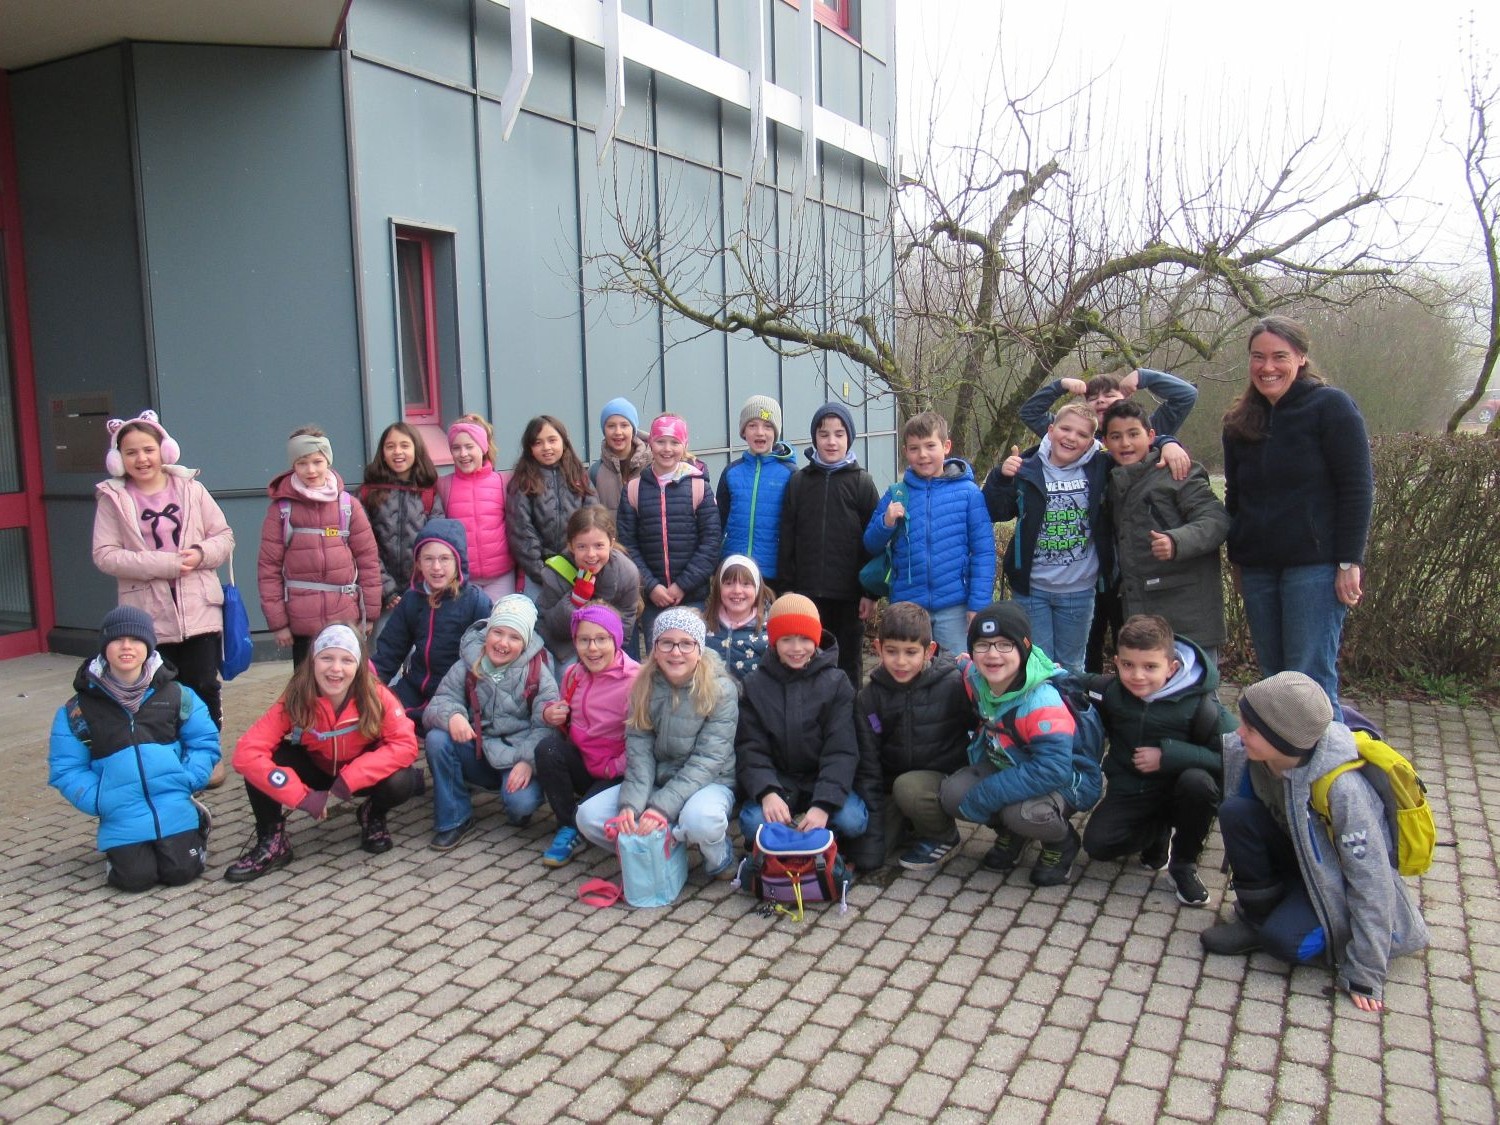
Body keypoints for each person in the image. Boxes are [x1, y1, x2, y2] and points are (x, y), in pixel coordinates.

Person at [1201, 672, 1429, 1012]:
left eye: (1250, 729)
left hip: (1334, 885)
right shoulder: (1250, 755)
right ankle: (1257, 918)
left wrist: (1365, 970)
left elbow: (1372, 880)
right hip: (1298, 862)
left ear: (1284, 739)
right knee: (1236, 812)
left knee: (1285, 943)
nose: (1238, 733)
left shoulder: (1344, 791)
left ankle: (1308, 926)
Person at [1223, 316, 1373, 711]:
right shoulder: (1238, 422)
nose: (1267, 367)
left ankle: (1328, 771)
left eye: (1279, 356)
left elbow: (1356, 488)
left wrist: (1348, 561)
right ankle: (1280, 772)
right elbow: (1236, 499)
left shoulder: (1331, 407)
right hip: (1258, 569)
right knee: (1273, 680)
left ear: (1301, 358)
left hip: (1315, 568)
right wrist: (1237, 559)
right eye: (1258, 357)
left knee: (1309, 682)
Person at [92, 411, 234, 787]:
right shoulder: (113, 499)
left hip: (199, 607)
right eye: (131, 452)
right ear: (118, 458)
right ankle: (170, 757)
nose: (141, 459)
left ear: (163, 450)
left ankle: (207, 755)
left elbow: (224, 536)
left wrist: (201, 554)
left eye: (148, 450)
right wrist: (166, 564)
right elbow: (105, 554)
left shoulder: (191, 490)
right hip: (147, 614)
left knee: (203, 684)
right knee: (160, 689)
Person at [1020, 370, 1196, 670]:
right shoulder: (1080, 442)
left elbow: (1185, 396)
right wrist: (1060, 385)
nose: (1101, 401)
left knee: (1128, 641)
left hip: (1127, 566)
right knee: (1086, 650)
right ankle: (1085, 706)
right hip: (1085, 569)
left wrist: (1146, 381)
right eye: (1093, 397)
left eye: (1109, 395)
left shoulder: (1136, 432)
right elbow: (1031, 413)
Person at [227, 624, 423, 881]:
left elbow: (405, 745)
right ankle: (273, 840)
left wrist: (348, 780)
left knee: (402, 780)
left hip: (357, 776)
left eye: (346, 660)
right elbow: (246, 751)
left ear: (359, 665)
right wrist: (302, 797)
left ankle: (372, 815)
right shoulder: (297, 695)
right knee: (262, 763)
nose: (335, 669)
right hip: (316, 769)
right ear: (313, 661)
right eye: (327, 658)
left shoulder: (377, 696)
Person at [48, 607, 218, 891]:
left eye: (136, 639)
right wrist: (99, 799)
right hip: (122, 813)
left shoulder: (178, 695)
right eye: (117, 640)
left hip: (172, 803)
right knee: (134, 879)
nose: (127, 647)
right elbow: (67, 768)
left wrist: (189, 778)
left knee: (181, 872)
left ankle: (195, 823)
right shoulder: (78, 709)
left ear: (149, 646)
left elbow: (204, 741)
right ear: (104, 647)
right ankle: (123, 856)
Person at [938, 603, 1102, 886]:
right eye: (983, 645)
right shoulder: (977, 678)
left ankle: (1061, 844)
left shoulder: (1042, 702)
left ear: (1024, 648)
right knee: (953, 794)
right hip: (1012, 764)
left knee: (1020, 812)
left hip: (1068, 781)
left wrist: (989, 794)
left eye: (1005, 645)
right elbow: (957, 663)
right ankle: (1014, 834)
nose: (992, 655)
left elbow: (1052, 771)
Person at [574, 608, 738, 878]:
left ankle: (719, 858)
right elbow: (639, 751)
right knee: (589, 816)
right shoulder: (644, 684)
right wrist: (631, 806)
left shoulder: (721, 689)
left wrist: (660, 808)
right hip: (659, 779)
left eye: (686, 643)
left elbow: (708, 760)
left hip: (709, 782)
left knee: (701, 822)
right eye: (667, 643)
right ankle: (662, 849)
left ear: (699, 648)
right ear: (655, 649)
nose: (676, 652)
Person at [1081, 614, 1232, 907]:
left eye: (1150, 667)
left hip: (1182, 791)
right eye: (1128, 665)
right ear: (1117, 662)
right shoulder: (1112, 691)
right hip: (1132, 790)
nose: (1137, 676)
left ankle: (1183, 865)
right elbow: (1073, 678)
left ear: (1172, 667)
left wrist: (1169, 755)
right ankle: (1157, 834)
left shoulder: (1201, 705)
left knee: (1198, 784)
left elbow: (1236, 756)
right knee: (1097, 845)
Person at [735, 594, 872, 861]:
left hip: (821, 779)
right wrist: (767, 792)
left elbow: (841, 750)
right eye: (786, 639)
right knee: (751, 823)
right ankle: (801, 835)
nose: (797, 648)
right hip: (780, 782)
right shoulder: (755, 685)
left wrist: (823, 804)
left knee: (853, 820)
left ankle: (805, 832)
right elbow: (751, 748)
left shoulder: (837, 683)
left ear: (816, 639)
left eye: (805, 638)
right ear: (774, 642)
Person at [983, 403, 1111, 673]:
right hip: (1032, 590)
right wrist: (1001, 477)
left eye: (1082, 434)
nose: (1071, 437)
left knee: (1072, 668)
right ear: (1050, 431)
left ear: (1092, 442)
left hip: (1079, 589)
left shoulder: (1100, 469)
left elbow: (1142, 445)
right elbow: (996, 511)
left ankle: (1069, 716)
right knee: (1035, 666)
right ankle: (1039, 715)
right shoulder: (1028, 468)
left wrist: (1168, 445)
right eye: (1065, 428)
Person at [421, 595, 557, 849]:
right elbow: (437, 704)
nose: (503, 643)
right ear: (487, 633)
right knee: (437, 739)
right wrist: (453, 716)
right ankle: (454, 818)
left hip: (517, 756)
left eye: (514, 637)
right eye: (498, 633)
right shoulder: (467, 664)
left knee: (520, 804)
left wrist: (528, 761)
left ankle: (523, 802)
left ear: (525, 642)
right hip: (477, 749)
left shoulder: (539, 672)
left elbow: (546, 726)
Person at [1102, 401, 1230, 664]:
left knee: (1199, 698)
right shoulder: (1114, 482)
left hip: (1189, 616)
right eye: (1116, 436)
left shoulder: (1177, 472)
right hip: (1142, 614)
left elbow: (1216, 520)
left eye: (1133, 434)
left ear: (1151, 437)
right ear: (1105, 441)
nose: (1125, 443)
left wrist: (1177, 540)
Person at [863, 411, 995, 660]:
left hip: (954, 608)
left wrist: (978, 604)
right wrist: (886, 522)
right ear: (905, 452)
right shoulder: (897, 493)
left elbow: (983, 552)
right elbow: (870, 544)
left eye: (930, 446)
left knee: (956, 673)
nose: (922, 455)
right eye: (914, 448)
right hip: (907, 606)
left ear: (946, 447)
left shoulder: (968, 493)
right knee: (909, 671)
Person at [854, 602, 973, 872]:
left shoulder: (953, 683)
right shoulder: (869, 698)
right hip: (893, 786)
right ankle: (910, 823)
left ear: (929, 651)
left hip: (941, 778)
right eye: (892, 652)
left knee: (908, 788)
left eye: (911, 652)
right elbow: (869, 766)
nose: (901, 661)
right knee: (869, 852)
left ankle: (943, 835)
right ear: (878, 649)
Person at [256, 427, 382, 668]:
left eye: (317, 461)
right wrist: (279, 623)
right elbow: (268, 569)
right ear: (293, 465)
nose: (311, 470)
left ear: (328, 461)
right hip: (303, 625)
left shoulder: (348, 507)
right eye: (302, 463)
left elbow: (368, 561)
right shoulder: (281, 511)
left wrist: (369, 614)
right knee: (307, 695)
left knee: (349, 688)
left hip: (345, 620)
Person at [778, 401, 880, 689]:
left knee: (847, 665)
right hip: (807, 594)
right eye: (824, 434)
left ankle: (848, 724)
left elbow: (873, 544)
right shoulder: (799, 482)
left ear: (849, 438)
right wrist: (786, 589)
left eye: (839, 434)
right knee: (808, 661)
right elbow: (787, 539)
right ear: (814, 439)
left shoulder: (862, 483)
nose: (831, 441)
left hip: (849, 597)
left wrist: (869, 593)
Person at [534, 604, 641, 866]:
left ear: (615, 639)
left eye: (601, 639)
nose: (592, 648)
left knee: (589, 811)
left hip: (616, 771)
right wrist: (551, 713)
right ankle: (567, 825)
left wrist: (615, 767)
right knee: (547, 748)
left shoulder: (636, 680)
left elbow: (644, 743)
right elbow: (565, 717)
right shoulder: (573, 674)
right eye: (584, 640)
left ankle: (582, 817)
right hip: (585, 762)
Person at [371, 518, 492, 722]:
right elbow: (389, 652)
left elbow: (489, 661)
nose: (436, 567)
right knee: (375, 715)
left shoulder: (476, 601)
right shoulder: (412, 599)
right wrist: (365, 684)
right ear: (418, 563)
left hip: (457, 694)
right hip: (415, 687)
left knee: (439, 731)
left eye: (444, 559)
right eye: (428, 559)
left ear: (458, 561)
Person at [616, 414, 721, 640]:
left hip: (692, 595)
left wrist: (682, 585)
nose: (667, 449)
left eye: (675, 442)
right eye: (660, 441)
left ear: (684, 446)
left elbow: (711, 542)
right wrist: (651, 586)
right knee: (658, 658)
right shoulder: (634, 489)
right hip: (652, 597)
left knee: (692, 656)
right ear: (650, 443)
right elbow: (627, 545)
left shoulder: (699, 487)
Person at [359, 420, 444, 629]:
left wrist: (420, 584)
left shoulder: (429, 494)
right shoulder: (368, 494)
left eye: (405, 445)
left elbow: (435, 542)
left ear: (416, 449)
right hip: (381, 595)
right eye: (390, 446)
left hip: (422, 592)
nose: (398, 452)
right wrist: (388, 590)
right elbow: (363, 547)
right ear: (382, 452)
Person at [535, 506, 641, 667]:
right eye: (582, 546)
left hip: (606, 644)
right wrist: (575, 600)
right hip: (566, 646)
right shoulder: (555, 572)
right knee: (569, 674)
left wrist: (608, 653)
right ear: (571, 546)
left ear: (611, 543)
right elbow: (552, 627)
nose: (591, 554)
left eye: (599, 546)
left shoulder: (626, 572)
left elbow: (625, 619)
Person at [506, 415, 598, 596]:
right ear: (529, 447)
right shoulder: (523, 481)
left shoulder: (579, 476)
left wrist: (581, 561)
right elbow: (521, 531)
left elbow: (593, 519)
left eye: (552, 440)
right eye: (538, 442)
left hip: (578, 569)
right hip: (539, 572)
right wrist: (541, 572)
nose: (546, 447)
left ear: (563, 442)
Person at [717, 395, 796, 581]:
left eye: (768, 426)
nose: (760, 432)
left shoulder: (790, 474)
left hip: (772, 574)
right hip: (734, 571)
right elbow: (718, 522)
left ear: (776, 432)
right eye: (752, 425)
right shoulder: (731, 472)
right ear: (743, 431)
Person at [437, 414, 515, 602]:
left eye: (469, 446)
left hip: (501, 577)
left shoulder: (504, 483)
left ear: (483, 447)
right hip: (462, 580)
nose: (463, 454)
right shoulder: (443, 486)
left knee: (496, 627)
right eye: (456, 448)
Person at [702, 554, 773, 687]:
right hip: (712, 702)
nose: (737, 590)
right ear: (719, 588)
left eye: (746, 584)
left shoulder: (768, 631)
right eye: (729, 583)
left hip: (752, 703)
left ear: (757, 589)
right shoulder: (704, 626)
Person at [588, 396, 651, 513]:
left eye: (624, 425)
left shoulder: (652, 466)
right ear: (604, 430)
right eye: (611, 426)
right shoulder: (595, 472)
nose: (618, 432)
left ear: (633, 429)